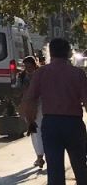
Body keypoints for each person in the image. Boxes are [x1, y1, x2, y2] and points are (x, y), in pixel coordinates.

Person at [22, 38, 87, 185]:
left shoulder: (41, 73)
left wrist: (30, 121)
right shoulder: (78, 74)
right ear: (69, 53)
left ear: (50, 52)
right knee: (80, 166)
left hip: (51, 124)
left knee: (54, 168)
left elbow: (30, 99)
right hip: (74, 124)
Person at [16, 55, 44, 168]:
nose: (28, 69)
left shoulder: (41, 74)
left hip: (40, 105)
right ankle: (39, 156)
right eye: (25, 66)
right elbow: (18, 91)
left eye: (30, 66)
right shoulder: (22, 76)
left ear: (34, 65)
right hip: (28, 106)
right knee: (33, 131)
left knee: (39, 129)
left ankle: (40, 156)